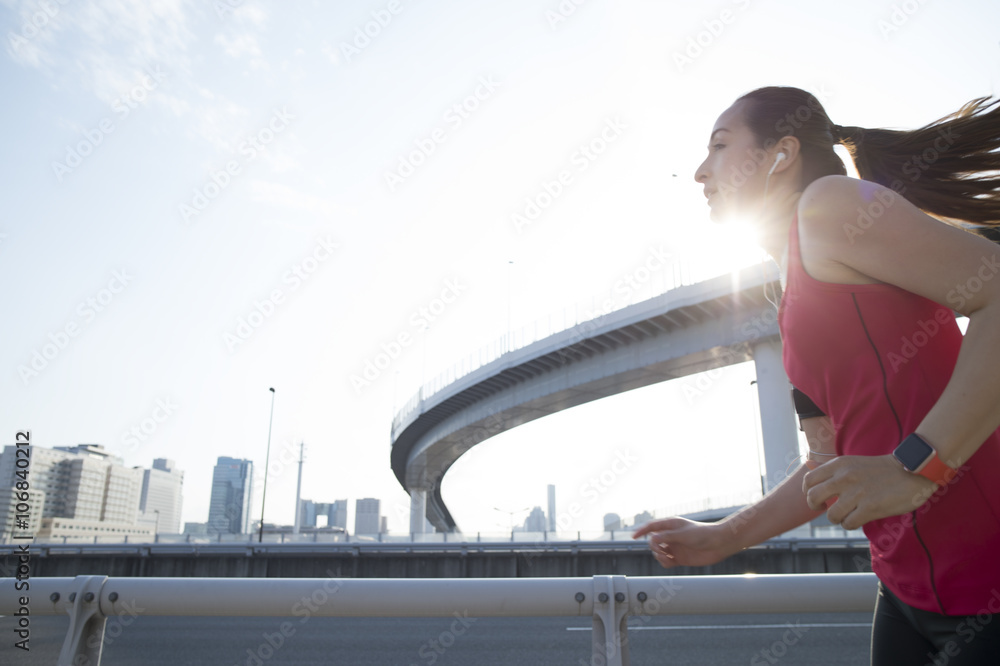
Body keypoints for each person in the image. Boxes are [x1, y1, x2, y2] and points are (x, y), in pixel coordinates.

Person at [632, 86, 1000, 665]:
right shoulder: (789, 286)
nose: (700, 172)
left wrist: (919, 466)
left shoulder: (830, 206)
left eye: (721, 147)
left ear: (781, 155)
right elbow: (825, 461)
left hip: (987, 582)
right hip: (905, 591)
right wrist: (728, 535)